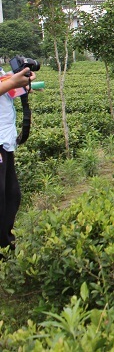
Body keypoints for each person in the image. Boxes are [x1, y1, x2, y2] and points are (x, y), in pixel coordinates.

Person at [0, 66, 37, 252]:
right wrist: (13, 82)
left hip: (4, 142)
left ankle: (6, 252)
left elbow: (6, 90)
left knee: (11, 196)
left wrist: (24, 84)